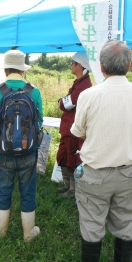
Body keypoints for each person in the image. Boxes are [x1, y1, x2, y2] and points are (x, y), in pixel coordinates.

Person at [69, 39, 132, 262]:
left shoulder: (89, 95)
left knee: (92, 225)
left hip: (96, 174)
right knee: (125, 226)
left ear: (101, 67)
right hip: (129, 173)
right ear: (129, 66)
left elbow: (78, 131)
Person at [0, 49, 43, 242]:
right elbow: (40, 122)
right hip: (29, 151)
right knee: (28, 190)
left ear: (6, 70)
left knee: (4, 188)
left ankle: (1, 230)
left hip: (4, 152)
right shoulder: (34, 92)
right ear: (22, 71)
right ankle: (29, 233)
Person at [56, 52, 92, 199]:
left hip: (74, 129)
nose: (71, 65)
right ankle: (67, 186)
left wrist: (62, 101)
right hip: (68, 128)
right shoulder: (79, 83)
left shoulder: (84, 85)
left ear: (80, 65)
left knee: (72, 160)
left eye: (73, 62)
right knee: (63, 157)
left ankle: (73, 191)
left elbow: (65, 104)